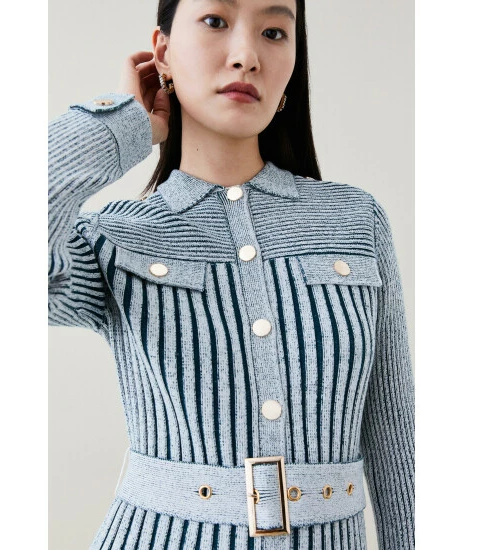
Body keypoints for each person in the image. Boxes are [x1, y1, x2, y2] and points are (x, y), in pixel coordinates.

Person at [48, 0, 415, 548]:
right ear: (163, 52)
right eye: (216, 22)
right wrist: (122, 122)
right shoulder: (111, 237)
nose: (246, 56)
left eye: (274, 32)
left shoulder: (355, 221)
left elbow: (395, 435)